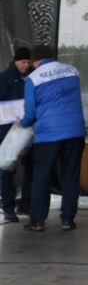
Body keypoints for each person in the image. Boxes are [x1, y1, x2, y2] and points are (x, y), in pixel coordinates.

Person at [18, 45, 86, 232]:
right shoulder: (72, 71)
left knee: (42, 175)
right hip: (75, 131)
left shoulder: (33, 78)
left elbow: (30, 113)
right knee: (70, 175)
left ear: (36, 61)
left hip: (49, 134)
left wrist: (21, 122)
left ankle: (38, 220)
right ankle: (67, 220)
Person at [0, 47, 33, 222]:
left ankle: (26, 205)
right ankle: (8, 209)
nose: (26, 65)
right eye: (23, 62)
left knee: (31, 167)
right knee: (7, 170)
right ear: (15, 61)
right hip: (8, 132)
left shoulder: (32, 78)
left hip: (28, 130)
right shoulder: (4, 78)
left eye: (28, 62)